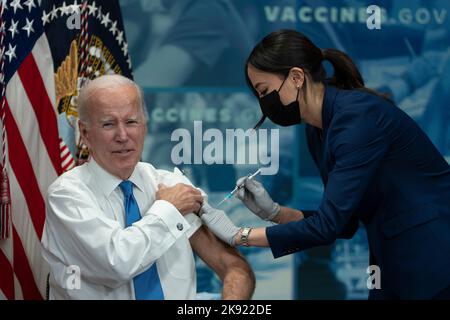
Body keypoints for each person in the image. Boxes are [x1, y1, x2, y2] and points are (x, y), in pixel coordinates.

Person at [208, 29, 450, 300]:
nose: (264, 105)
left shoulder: (356, 119)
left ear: (297, 77)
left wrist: (238, 235)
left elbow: (328, 226)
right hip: (397, 259)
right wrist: (275, 212)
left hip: (434, 255)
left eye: (264, 92)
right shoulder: (318, 128)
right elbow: (342, 222)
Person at [41, 75, 255, 300]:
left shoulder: (172, 185)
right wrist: (168, 209)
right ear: (85, 133)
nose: (123, 136)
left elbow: (234, 268)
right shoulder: (67, 195)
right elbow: (117, 264)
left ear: (144, 125)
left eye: (131, 122)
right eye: (108, 124)